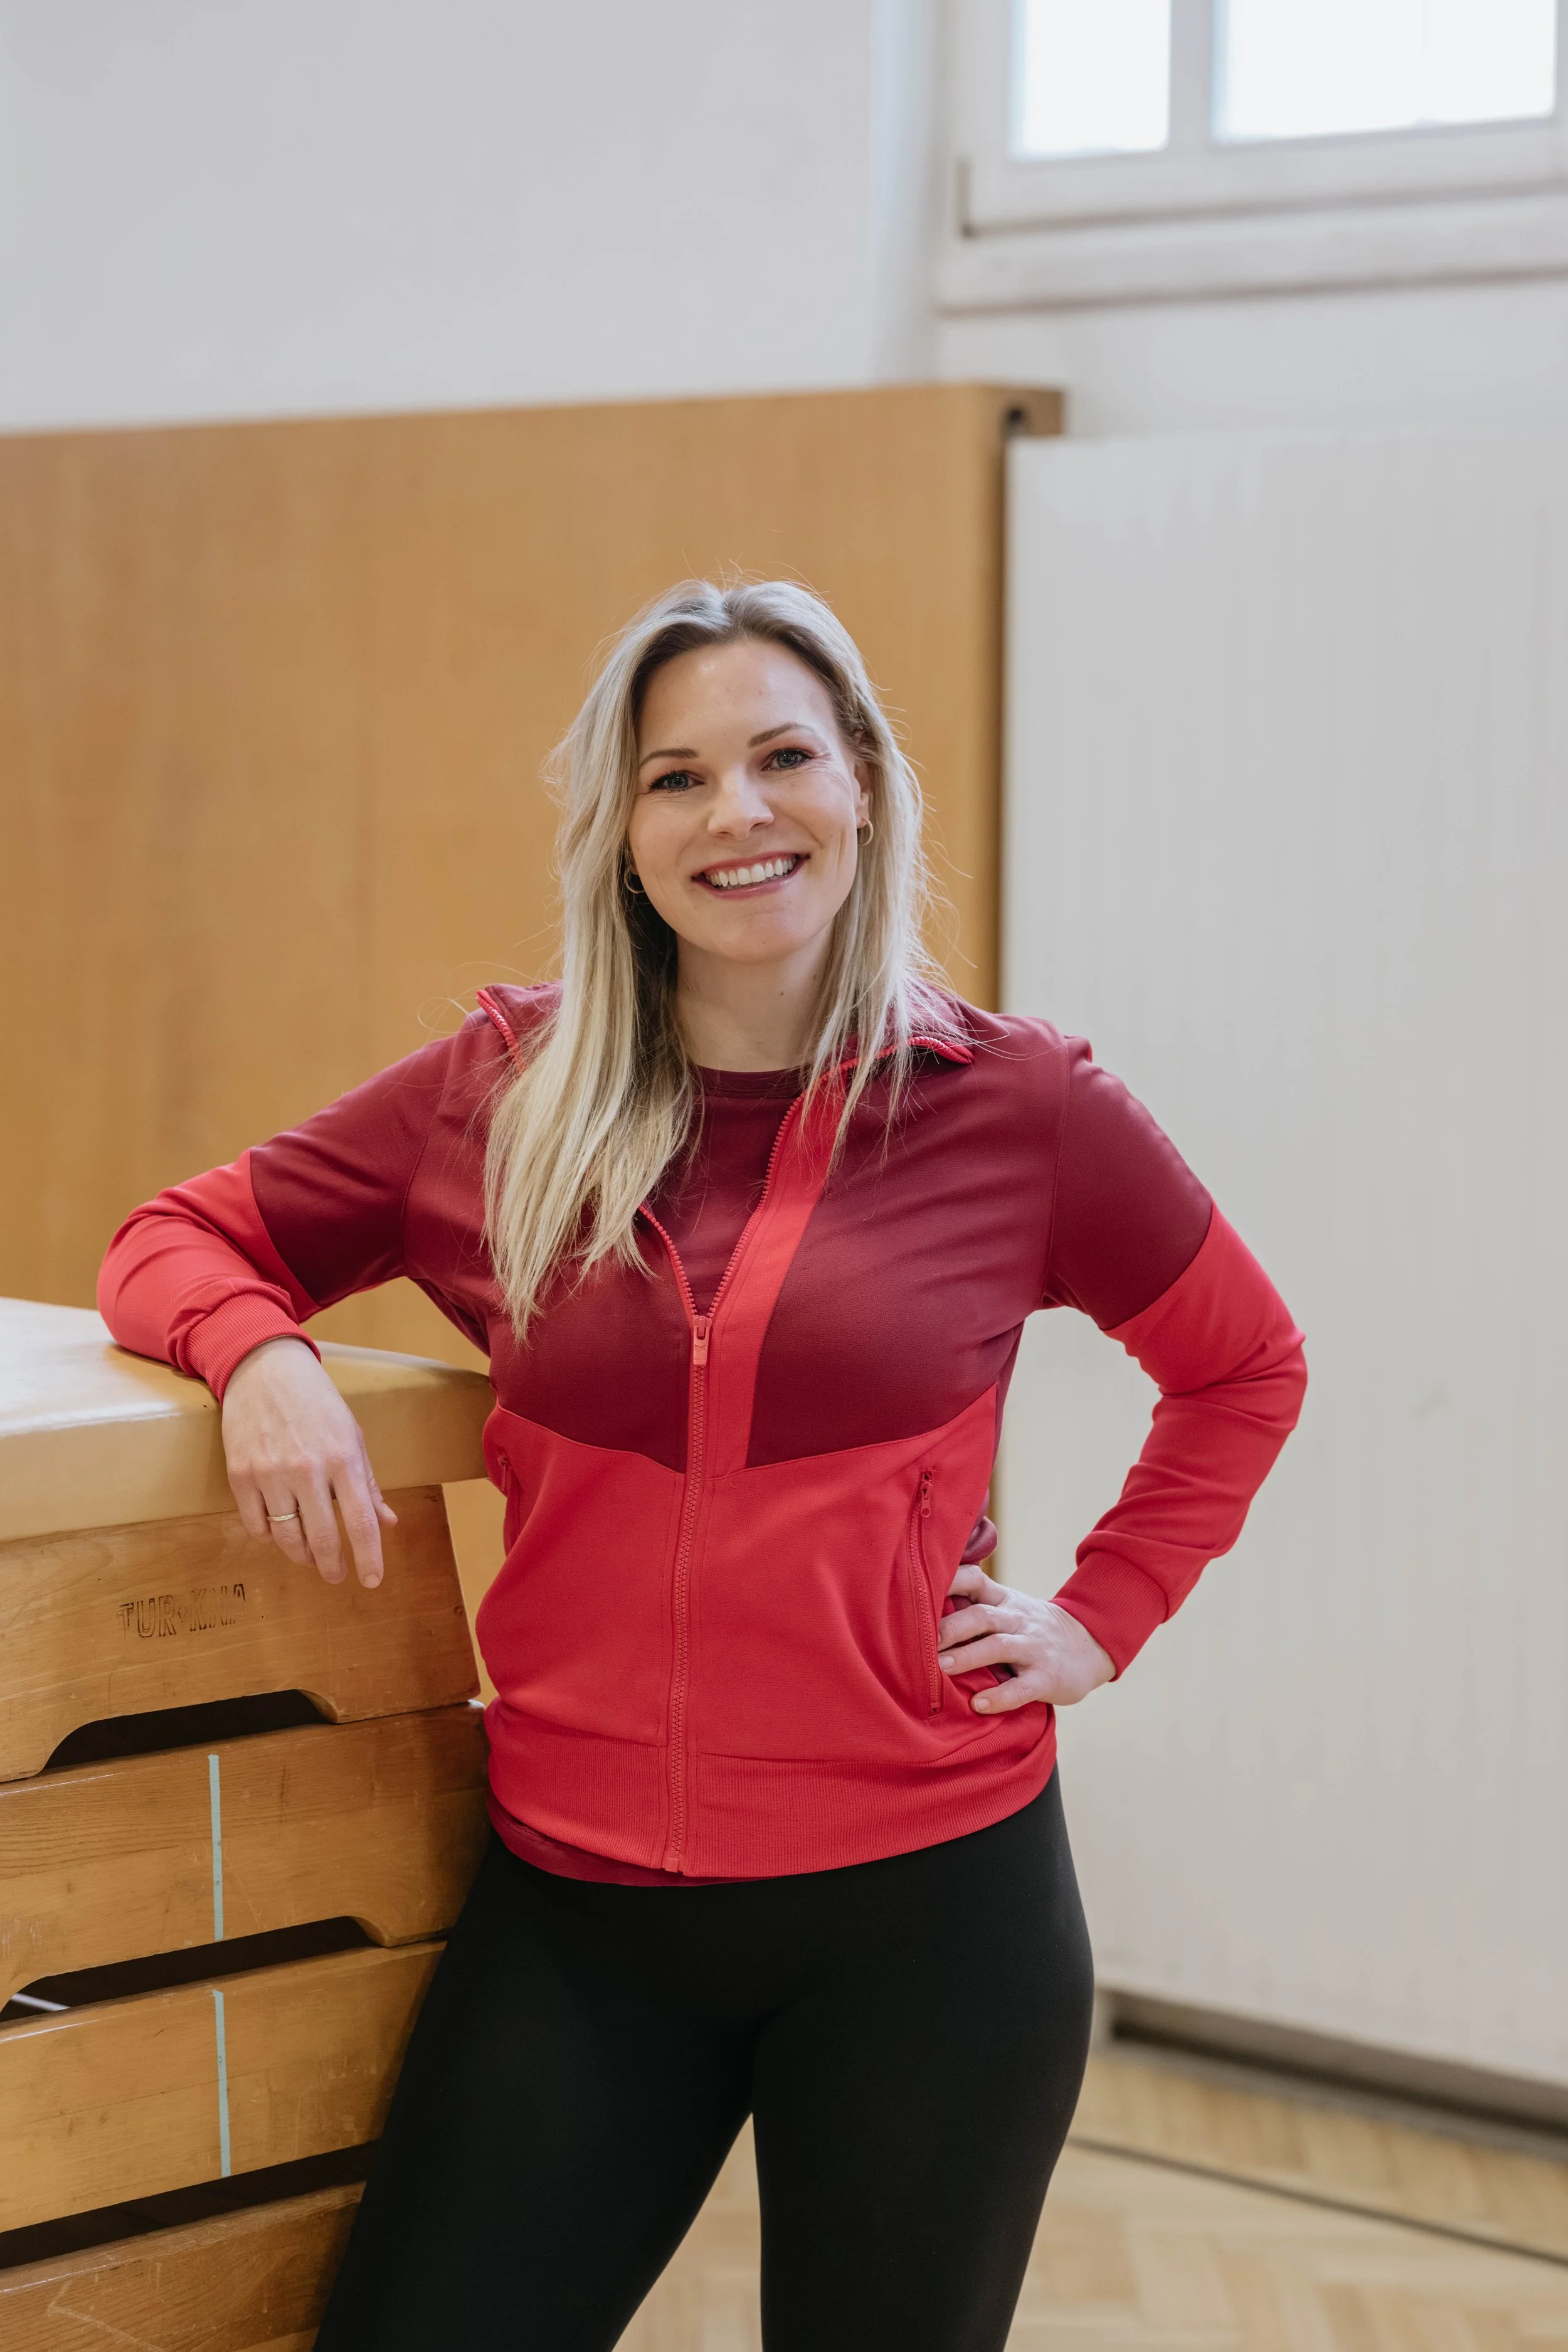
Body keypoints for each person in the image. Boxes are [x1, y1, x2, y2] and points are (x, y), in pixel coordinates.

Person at [100, 578, 1306, 2351]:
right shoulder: (502, 1090)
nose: (734, 813)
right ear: (622, 832)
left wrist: (1103, 1612)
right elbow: (179, 1234)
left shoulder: (1019, 1104)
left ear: (864, 783)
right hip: (577, 1912)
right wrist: (262, 1355)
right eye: (675, 778)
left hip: (927, 1917)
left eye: (778, 757)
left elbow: (1241, 1364)